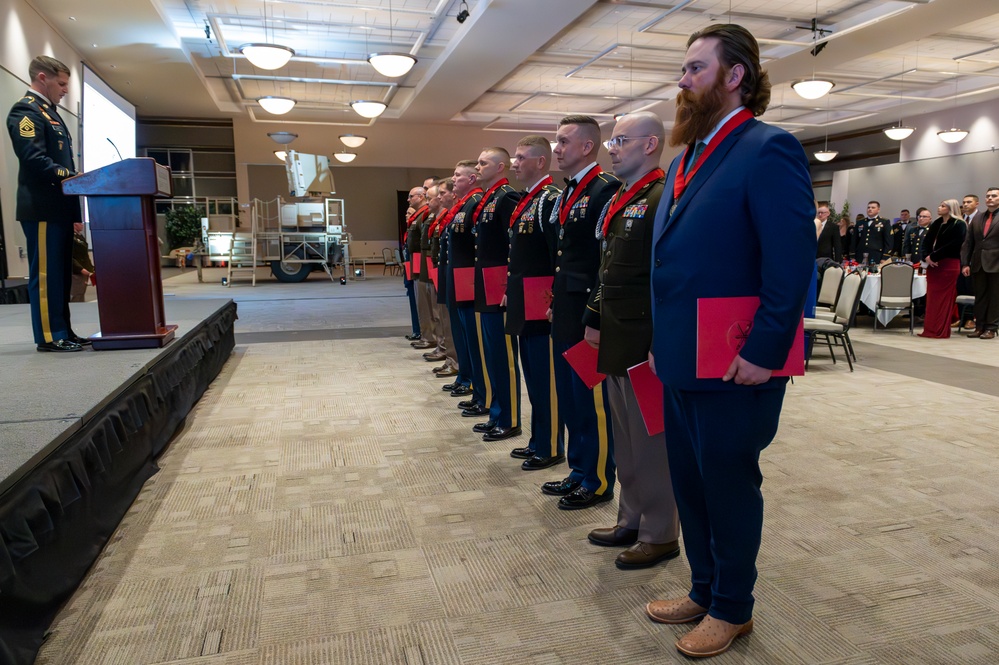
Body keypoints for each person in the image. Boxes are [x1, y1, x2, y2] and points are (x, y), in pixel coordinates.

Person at [646, 24, 815, 658]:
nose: (682, 81)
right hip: (683, 354)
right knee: (689, 479)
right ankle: (705, 586)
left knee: (728, 481)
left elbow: (790, 261)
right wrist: (661, 341)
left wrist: (766, 351)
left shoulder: (767, 148)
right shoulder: (689, 156)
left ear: (733, 75)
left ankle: (733, 608)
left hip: (738, 357)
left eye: (694, 68)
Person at [581, 111, 680, 570]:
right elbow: (609, 268)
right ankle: (632, 517)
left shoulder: (662, 197)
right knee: (625, 438)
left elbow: (667, 277)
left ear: (650, 144)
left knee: (651, 442)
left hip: (644, 339)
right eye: (611, 141)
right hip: (618, 334)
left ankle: (660, 533)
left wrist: (664, 339)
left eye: (621, 140)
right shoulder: (625, 196)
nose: (612, 148)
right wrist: (594, 317)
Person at [541, 115, 620, 511]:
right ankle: (578, 469)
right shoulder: (569, 191)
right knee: (572, 396)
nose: (556, 148)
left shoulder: (605, 189)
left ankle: (599, 478)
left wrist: (596, 315)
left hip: (589, 311)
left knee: (592, 399)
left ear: (587, 147)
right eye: (556, 142)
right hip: (568, 307)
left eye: (563, 141)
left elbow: (607, 261)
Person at [6, 55, 86, 352]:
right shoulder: (26, 111)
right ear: (43, 78)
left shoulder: (50, 113)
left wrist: (74, 211)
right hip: (41, 208)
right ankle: (50, 336)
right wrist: (73, 175)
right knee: (46, 275)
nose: (65, 90)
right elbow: (34, 160)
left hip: (59, 208)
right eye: (62, 83)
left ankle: (64, 330)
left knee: (60, 275)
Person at [506, 135, 564, 469]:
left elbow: (556, 253)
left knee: (546, 378)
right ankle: (538, 438)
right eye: (514, 156)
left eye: (520, 156)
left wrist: (552, 297)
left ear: (540, 162)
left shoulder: (548, 199)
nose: (515, 162)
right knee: (533, 376)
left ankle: (551, 445)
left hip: (540, 301)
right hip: (525, 299)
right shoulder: (529, 199)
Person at [470, 147, 522, 441]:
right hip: (485, 283)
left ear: (501, 167)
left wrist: (508, 287)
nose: (478, 167)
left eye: (483, 162)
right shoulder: (489, 197)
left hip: (498, 286)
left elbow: (512, 245)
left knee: (502, 356)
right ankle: (497, 411)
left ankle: (510, 417)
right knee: (491, 353)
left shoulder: (506, 197)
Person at [446, 161, 487, 414]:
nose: (453, 179)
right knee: (467, 339)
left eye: (458, 175)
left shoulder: (476, 203)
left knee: (476, 341)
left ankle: (481, 392)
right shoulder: (464, 204)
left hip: (472, 281)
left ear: (472, 179)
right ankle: (476, 388)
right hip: (461, 279)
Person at [918, 199, 966, 339]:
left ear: (951, 208)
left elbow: (955, 244)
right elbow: (927, 241)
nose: (939, 207)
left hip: (948, 264)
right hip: (933, 264)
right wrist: (927, 256)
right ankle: (930, 329)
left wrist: (934, 256)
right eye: (940, 205)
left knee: (943, 299)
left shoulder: (959, 224)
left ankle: (940, 330)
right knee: (932, 298)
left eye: (943, 206)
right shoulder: (937, 223)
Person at [961, 187, 999, 339]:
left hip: (996, 263)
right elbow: (968, 243)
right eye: (988, 196)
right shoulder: (978, 218)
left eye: (994, 196)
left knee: (995, 297)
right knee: (980, 297)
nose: (990, 198)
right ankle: (979, 327)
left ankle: (991, 327)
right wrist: (965, 263)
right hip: (978, 263)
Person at [852, 200, 892, 265]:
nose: (870, 209)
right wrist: (852, 255)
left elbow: (888, 241)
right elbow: (854, 240)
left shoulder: (884, 222)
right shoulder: (860, 222)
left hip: (877, 255)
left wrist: (885, 257)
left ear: (878, 210)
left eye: (873, 208)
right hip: (860, 255)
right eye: (868, 207)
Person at [70, 222, 94, 302]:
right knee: (76, 296)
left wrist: (91, 268)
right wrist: (80, 269)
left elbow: (84, 255)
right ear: (74, 224)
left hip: (84, 270)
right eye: (80, 223)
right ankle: (74, 314)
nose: (82, 225)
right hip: (76, 272)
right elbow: (69, 257)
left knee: (80, 295)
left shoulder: (79, 236)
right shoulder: (70, 237)